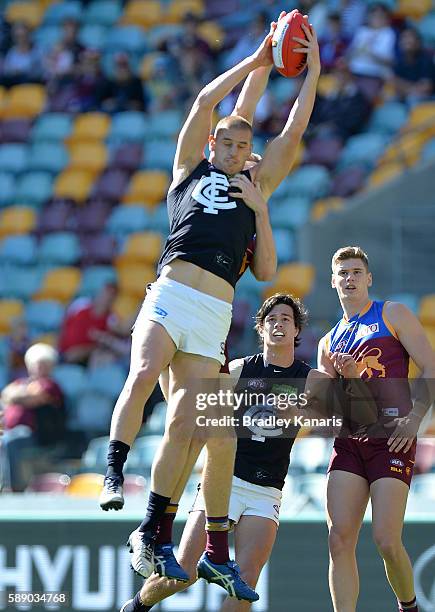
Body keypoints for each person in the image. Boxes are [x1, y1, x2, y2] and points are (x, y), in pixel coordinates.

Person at [102, 12, 320, 602]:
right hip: (173, 294)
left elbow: (289, 133)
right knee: (155, 384)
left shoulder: (257, 185)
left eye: (244, 144)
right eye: (229, 140)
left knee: (204, 430)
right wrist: (261, 57)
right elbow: (221, 107)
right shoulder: (192, 169)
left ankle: (162, 536)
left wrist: (310, 68)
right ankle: (119, 476)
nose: (238, 146)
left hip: (215, 313)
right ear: (213, 144)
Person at [119, 293, 319, 612]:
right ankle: (136, 606)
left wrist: (300, 413)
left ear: (297, 331)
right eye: (271, 319)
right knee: (183, 572)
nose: (278, 325)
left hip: (267, 490)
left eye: (286, 320)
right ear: (261, 329)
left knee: (246, 582)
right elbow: (195, 404)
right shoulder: (239, 370)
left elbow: (337, 412)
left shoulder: (311, 378)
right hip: (224, 482)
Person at [317, 246, 435, 612]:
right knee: (338, 539)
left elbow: (430, 364)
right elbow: (332, 407)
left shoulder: (392, 313)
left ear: (368, 279)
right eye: (343, 273)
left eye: (356, 272)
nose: (349, 278)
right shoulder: (327, 342)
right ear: (333, 281)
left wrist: (416, 416)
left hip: (393, 438)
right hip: (351, 441)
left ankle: (409, 605)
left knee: (386, 539)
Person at [1, 343, 65, 491]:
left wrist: (16, 395)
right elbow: (5, 395)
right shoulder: (22, 382)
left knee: (9, 441)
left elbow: (34, 398)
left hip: (36, 434)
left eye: (44, 364)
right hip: (11, 430)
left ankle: (13, 488)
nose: (39, 368)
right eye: (36, 364)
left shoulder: (50, 385)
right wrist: (21, 393)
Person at [58, 282, 118, 366]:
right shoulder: (80, 304)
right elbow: (64, 325)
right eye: (105, 293)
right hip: (61, 353)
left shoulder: (111, 319)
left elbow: (105, 345)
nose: (106, 298)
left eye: (110, 295)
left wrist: (81, 351)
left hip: (82, 361)